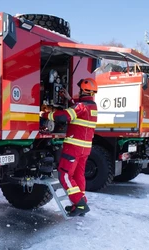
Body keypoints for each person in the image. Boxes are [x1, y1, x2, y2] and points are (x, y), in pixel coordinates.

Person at [40, 78, 98, 217]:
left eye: (80, 90)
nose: (78, 91)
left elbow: (64, 116)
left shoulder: (80, 107)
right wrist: (69, 99)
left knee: (64, 175)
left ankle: (79, 204)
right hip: (85, 149)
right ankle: (81, 202)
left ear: (84, 91)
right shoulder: (92, 107)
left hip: (74, 148)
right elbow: (78, 111)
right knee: (78, 175)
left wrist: (45, 114)